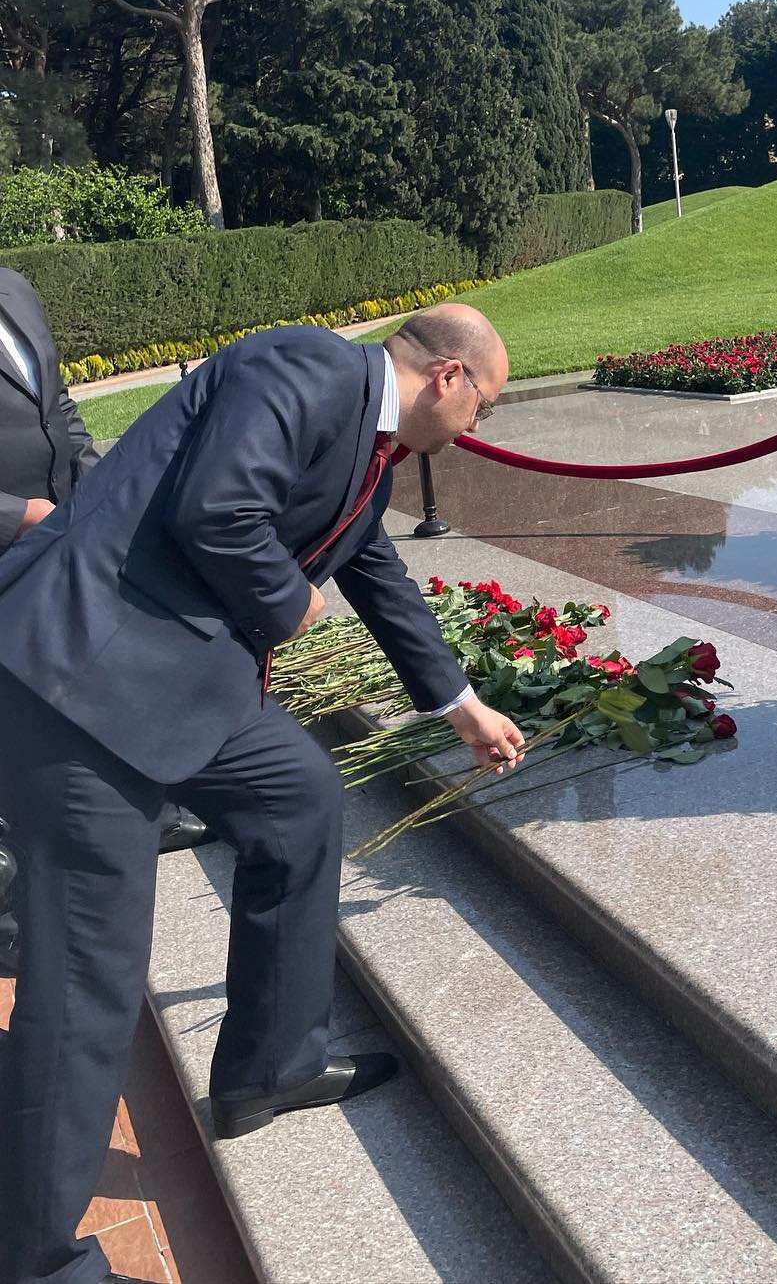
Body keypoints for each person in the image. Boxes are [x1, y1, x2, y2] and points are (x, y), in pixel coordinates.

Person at [0, 304, 525, 1284]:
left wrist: (461, 706)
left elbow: (380, 576)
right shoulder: (304, 366)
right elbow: (218, 510)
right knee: (88, 982)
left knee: (298, 792)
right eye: (483, 405)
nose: (477, 426)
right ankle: (33, 1260)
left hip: (174, 682)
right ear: (449, 376)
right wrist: (292, 603)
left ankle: (270, 1066)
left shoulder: (370, 458)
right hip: (82, 684)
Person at [0, 269, 212, 981]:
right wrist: (20, 516)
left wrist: (104, 490)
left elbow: (57, 407)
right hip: (13, 537)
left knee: (94, 670)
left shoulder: (15, 289)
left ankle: (146, 810)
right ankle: (9, 922)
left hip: (60, 539)